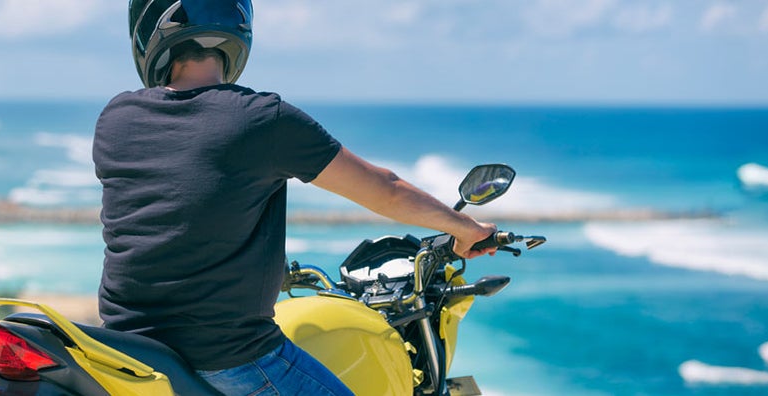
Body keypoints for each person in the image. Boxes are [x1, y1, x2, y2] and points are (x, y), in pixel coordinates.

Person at [94, 1, 497, 394]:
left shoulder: (115, 118)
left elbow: (174, 210)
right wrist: (466, 228)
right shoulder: (261, 118)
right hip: (229, 357)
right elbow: (386, 191)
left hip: (126, 349)